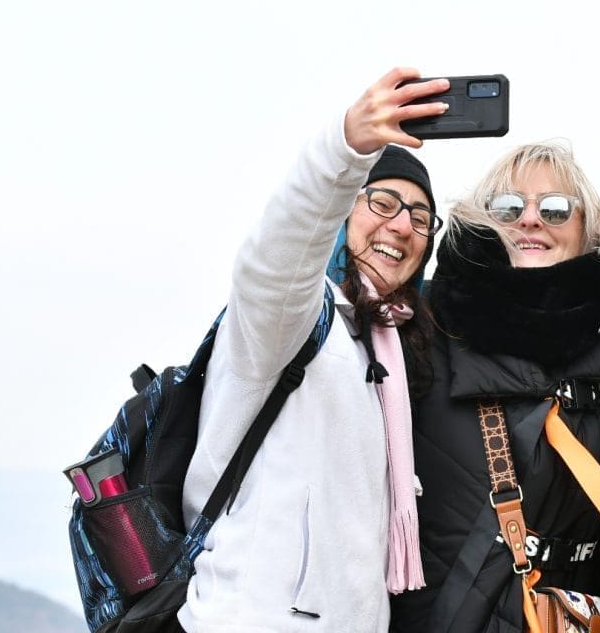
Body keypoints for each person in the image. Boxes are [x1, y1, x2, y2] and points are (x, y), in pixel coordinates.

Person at [177, 67, 451, 632]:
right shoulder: (292, 318)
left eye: (420, 217)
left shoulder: (386, 350)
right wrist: (344, 149)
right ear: (343, 212)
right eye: (382, 202)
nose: (402, 226)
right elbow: (276, 255)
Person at [388, 141, 600, 633]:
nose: (530, 220)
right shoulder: (418, 328)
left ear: (587, 228)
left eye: (555, 208)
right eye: (508, 207)